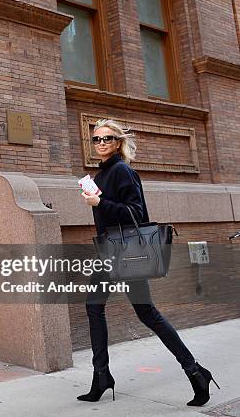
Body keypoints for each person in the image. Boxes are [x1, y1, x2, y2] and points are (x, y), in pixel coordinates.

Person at [77, 118, 220, 406]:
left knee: (142, 313)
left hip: (126, 253)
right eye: (96, 139)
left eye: (107, 139)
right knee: (104, 307)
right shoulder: (100, 175)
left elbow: (136, 213)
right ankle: (102, 375)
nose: (101, 143)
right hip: (110, 252)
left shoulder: (122, 171)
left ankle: (194, 371)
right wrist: (98, 200)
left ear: (117, 143)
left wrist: (100, 204)